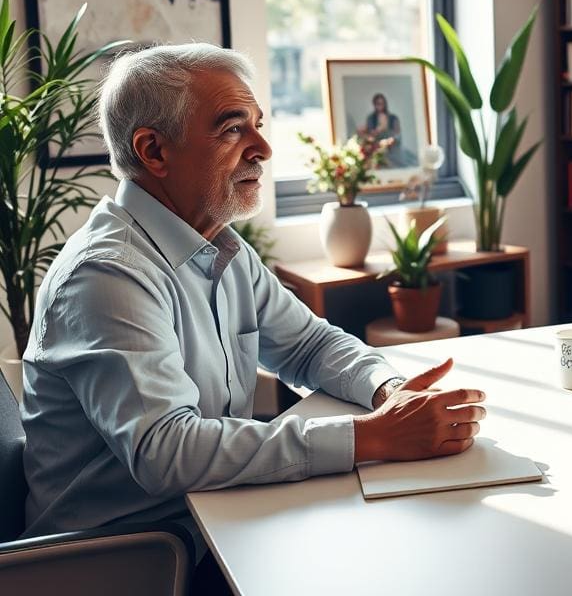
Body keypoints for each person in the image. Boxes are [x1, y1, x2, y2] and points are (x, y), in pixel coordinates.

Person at [19, 44, 485, 553]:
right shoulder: (107, 274)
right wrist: (372, 436)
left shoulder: (220, 245)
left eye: (258, 124)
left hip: (215, 518)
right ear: (154, 151)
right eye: (232, 129)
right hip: (131, 558)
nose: (262, 148)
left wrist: (388, 391)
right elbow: (166, 453)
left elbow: (309, 345)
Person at [360, 92, 415, 167]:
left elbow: (398, 135)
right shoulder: (371, 119)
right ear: (374, 104)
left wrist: (390, 140)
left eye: (382, 103)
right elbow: (370, 137)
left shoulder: (393, 118)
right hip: (379, 153)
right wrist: (379, 129)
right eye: (378, 104)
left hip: (394, 151)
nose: (380, 106)